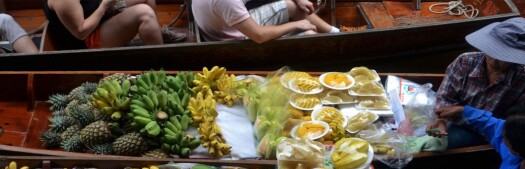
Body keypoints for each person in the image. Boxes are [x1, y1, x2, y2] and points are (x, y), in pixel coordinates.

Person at [427, 17, 525, 149]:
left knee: (443, 144)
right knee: (428, 137)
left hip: (492, 134)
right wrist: (441, 119)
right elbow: (445, 97)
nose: (495, 61)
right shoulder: (464, 62)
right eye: (493, 51)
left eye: (504, 57)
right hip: (458, 122)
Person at [43, 0, 186, 50]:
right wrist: (104, 6)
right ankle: (162, 70)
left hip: (97, 18)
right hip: (85, 42)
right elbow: (81, 32)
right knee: (145, 13)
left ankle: (157, 34)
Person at [192, 0, 339, 43]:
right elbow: (258, 36)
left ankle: (335, 33)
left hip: (230, 22)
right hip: (235, 37)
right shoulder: (227, 2)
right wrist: (295, 25)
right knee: (309, 35)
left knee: (294, 5)